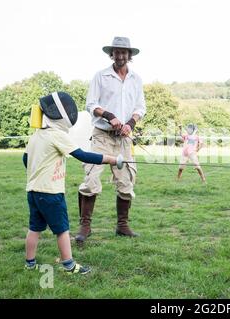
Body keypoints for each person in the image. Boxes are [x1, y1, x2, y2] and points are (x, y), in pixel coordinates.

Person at [24, 92, 124, 274]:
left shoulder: (36, 135)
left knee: (34, 228)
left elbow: (26, 159)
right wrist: (112, 159)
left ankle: (29, 263)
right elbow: (82, 155)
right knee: (62, 230)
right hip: (51, 193)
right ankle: (69, 265)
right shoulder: (56, 135)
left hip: (33, 191)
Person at [76, 36, 146, 244]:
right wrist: (109, 116)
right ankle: (85, 226)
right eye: (117, 52)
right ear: (111, 54)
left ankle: (122, 226)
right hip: (102, 136)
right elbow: (91, 104)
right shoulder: (100, 76)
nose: (121, 55)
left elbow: (140, 108)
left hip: (124, 138)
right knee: (91, 179)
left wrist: (129, 124)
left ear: (129, 55)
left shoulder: (136, 79)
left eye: (124, 52)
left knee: (126, 181)